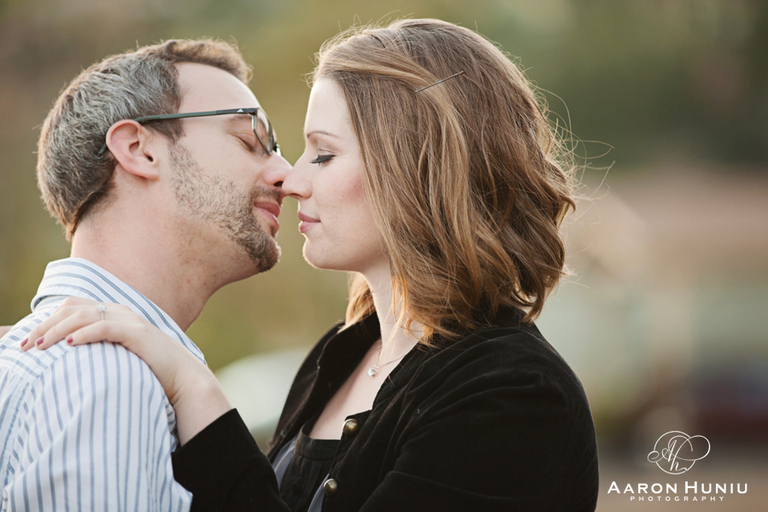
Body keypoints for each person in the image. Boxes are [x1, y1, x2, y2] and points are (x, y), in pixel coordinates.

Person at [24, 19, 599, 512]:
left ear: (417, 168)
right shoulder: (338, 355)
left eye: (322, 153)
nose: (292, 180)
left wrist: (195, 386)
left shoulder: (516, 394)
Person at [0, 39, 291, 511]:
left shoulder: (51, 362)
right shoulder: (105, 375)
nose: (285, 173)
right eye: (249, 140)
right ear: (139, 149)